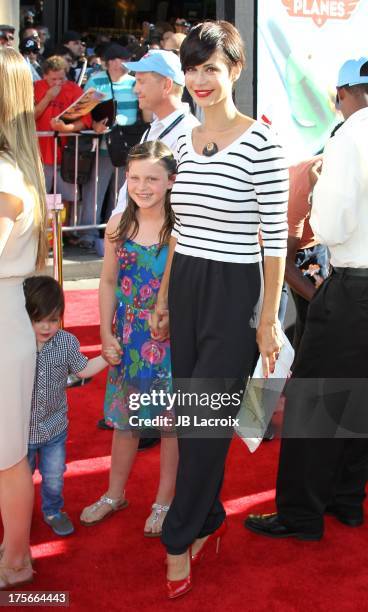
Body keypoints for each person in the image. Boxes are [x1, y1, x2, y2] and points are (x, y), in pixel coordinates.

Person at [150, 21, 288, 599]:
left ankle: (179, 537)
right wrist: (162, 296)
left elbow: (275, 239)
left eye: (212, 67)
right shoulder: (181, 138)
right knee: (192, 414)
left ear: (236, 69)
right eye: (192, 67)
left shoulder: (262, 142)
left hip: (236, 294)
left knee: (205, 425)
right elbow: (180, 228)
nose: (201, 79)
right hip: (187, 286)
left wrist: (266, 318)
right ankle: (206, 518)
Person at [244, 57, 368, 541]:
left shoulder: (350, 134)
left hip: (355, 285)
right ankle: (347, 501)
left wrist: (317, 193)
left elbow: (332, 226)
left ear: (342, 93)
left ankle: (301, 514)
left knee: (316, 401)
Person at [80, 141, 179, 536]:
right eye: (135, 177)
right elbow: (106, 282)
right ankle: (113, 494)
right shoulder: (119, 224)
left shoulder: (180, 226)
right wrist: (105, 332)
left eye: (152, 178)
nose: (143, 186)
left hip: (169, 336)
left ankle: (165, 501)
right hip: (128, 333)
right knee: (124, 421)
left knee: (171, 424)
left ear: (171, 181)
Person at [102, 48, 198, 444]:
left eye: (143, 79)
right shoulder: (152, 129)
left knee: (170, 410)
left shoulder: (188, 134)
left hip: (165, 257)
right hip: (131, 246)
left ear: (167, 84)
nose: (135, 85)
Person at [0, 47, 47, 589]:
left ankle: (16, 559)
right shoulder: (15, 168)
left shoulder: (7, 173)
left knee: (9, 453)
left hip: (5, 317)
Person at [23, 276, 113, 537]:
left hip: (54, 428)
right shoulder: (14, 343)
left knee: (53, 476)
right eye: (38, 320)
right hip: (21, 431)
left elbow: (83, 369)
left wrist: (105, 357)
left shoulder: (66, 343)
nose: (46, 327)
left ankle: (52, 511)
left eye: (53, 319)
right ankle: (20, 512)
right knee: (20, 479)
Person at [79, 44, 139, 249]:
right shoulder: (96, 80)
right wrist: (92, 123)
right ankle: (88, 233)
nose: (120, 64)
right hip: (102, 145)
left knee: (121, 192)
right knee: (96, 189)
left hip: (128, 146)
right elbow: (82, 109)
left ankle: (116, 231)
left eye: (124, 59)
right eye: (116, 59)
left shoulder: (135, 82)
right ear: (110, 61)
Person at [34, 55, 92, 225]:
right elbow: (29, 117)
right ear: (44, 75)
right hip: (40, 154)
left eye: (62, 78)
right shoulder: (35, 87)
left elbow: (85, 120)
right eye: (53, 79)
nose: (58, 83)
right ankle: (41, 233)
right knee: (38, 197)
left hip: (65, 155)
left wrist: (66, 128)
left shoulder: (73, 89)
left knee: (67, 197)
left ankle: (63, 234)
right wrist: (47, 97)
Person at [285, 155, 329, 354]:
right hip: (283, 247)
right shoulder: (301, 189)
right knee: (316, 316)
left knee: (321, 322)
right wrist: (319, 300)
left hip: (316, 240)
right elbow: (284, 264)